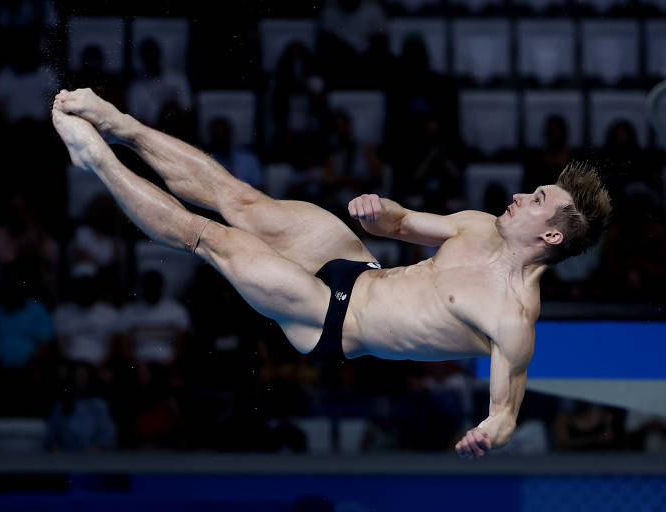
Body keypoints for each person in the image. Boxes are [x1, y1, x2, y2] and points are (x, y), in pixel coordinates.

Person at [52, 88, 612, 458]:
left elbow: (506, 413)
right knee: (241, 200)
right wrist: (380, 210)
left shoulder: (510, 316)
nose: (520, 195)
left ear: (552, 236)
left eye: (537, 198)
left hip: (329, 320)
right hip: (355, 266)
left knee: (211, 237)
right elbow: (402, 225)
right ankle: (121, 123)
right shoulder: (478, 224)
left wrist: (488, 433)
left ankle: (97, 159)